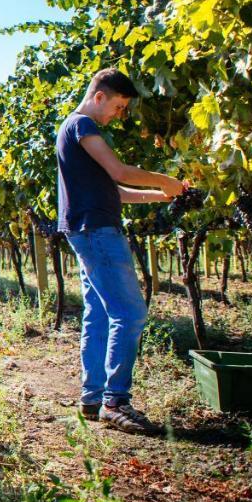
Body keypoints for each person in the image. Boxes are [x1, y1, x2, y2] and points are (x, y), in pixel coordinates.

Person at [58, 68, 185, 434]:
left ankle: (93, 398)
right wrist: (166, 179)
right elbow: (119, 171)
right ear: (100, 97)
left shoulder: (74, 133)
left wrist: (161, 194)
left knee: (98, 314)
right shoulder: (83, 126)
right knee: (129, 314)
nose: (119, 114)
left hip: (87, 229)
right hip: (97, 232)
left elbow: (117, 191)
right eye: (118, 106)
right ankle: (116, 401)